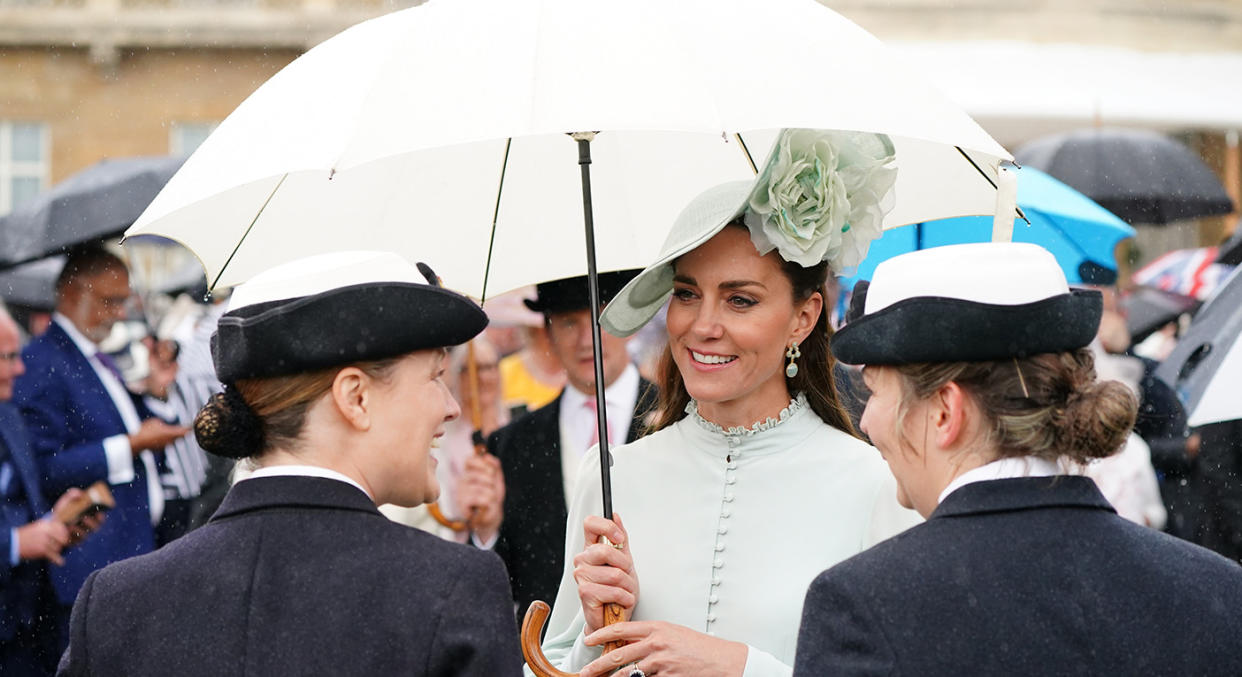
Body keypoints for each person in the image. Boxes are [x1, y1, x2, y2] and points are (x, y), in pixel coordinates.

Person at [538, 129, 920, 676]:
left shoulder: (874, 485)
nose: (703, 326)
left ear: (804, 318)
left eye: (740, 300)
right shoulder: (609, 476)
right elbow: (552, 666)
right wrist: (596, 640)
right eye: (687, 293)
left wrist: (742, 667)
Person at [56, 251, 523, 676]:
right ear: (355, 397)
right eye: (436, 377)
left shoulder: (116, 602)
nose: (451, 406)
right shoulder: (449, 588)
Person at [793, 242, 1242, 676]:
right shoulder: (1215, 589)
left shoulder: (864, 606)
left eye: (874, 391)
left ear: (946, 411)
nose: (867, 421)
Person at [12, 246, 188, 654]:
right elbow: (42, 468)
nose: (120, 313)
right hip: (89, 564)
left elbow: (126, 426)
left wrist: (157, 391)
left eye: (123, 301)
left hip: (125, 553)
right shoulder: (42, 361)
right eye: (110, 301)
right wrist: (129, 445)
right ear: (73, 295)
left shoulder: (91, 357)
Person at [460, 270, 656, 620]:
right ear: (548, 332)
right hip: (546, 658)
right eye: (568, 323)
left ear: (631, 323)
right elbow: (498, 582)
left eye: (601, 320)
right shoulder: (511, 445)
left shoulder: (677, 419)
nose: (586, 340)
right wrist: (487, 531)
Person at [0, 304, 103, 675]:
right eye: (7, 357)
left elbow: (17, 502)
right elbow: (13, 534)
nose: (20, 368)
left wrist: (55, 521)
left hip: (26, 623)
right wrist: (14, 543)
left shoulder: (8, 413)